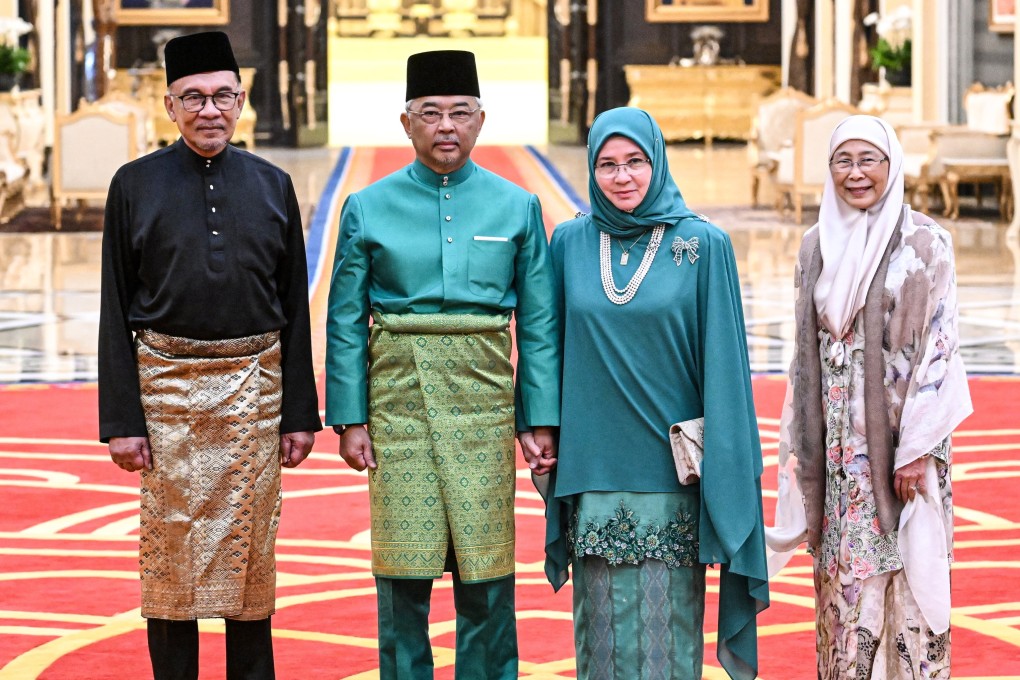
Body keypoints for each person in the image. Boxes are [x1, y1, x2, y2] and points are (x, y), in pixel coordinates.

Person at [324, 49, 560, 679]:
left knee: (486, 571)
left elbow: (537, 326)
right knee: (402, 575)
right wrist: (350, 416)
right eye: (430, 113)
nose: (446, 126)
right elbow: (345, 319)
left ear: (482, 119)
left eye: (460, 112)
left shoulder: (518, 207)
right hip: (397, 403)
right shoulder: (367, 207)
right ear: (407, 123)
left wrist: (537, 418)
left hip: (484, 403)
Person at [98, 31, 321, 679]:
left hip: (257, 391)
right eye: (193, 97)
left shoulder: (273, 183)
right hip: (164, 394)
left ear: (242, 99)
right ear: (170, 104)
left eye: (223, 96)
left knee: (251, 563)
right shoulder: (134, 184)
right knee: (172, 558)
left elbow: (292, 307)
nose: (209, 110)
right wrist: (122, 421)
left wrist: (299, 414)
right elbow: (116, 308)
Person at [542, 107, 769, 680]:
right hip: (593, 470)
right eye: (607, 164)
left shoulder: (703, 244)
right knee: (601, 638)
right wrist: (538, 424)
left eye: (636, 162)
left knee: (667, 637)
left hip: (673, 476)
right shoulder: (569, 242)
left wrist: (729, 464)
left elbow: (724, 365)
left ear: (658, 161)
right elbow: (545, 347)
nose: (622, 177)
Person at [765, 115, 972, 679]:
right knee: (846, 591)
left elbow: (941, 346)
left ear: (892, 165)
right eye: (843, 161)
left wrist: (918, 448)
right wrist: (797, 445)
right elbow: (803, 356)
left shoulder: (926, 242)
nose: (856, 174)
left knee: (907, 582)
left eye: (869, 161)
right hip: (836, 457)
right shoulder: (815, 246)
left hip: (904, 450)